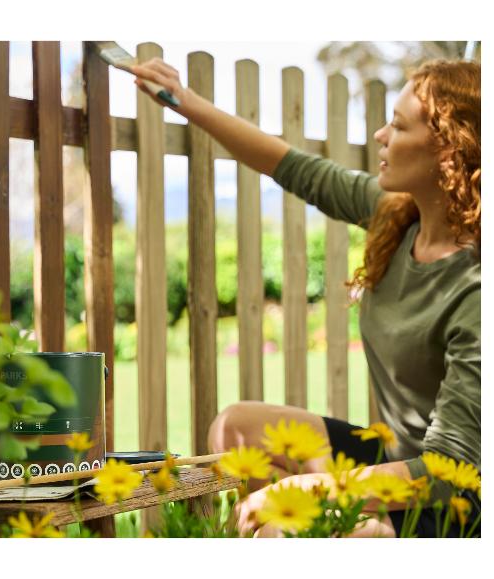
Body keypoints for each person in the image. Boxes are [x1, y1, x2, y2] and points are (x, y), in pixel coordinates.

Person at [129, 56, 480, 538]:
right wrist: (184, 101)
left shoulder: (476, 289)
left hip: (453, 503)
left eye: (399, 126)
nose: (380, 135)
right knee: (236, 428)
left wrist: (310, 491)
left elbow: (450, 472)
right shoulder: (399, 216)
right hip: (395, 461)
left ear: (450, 152)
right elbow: (290, 165)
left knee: (285, 528)